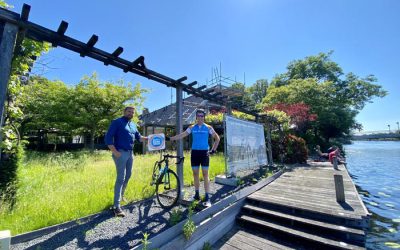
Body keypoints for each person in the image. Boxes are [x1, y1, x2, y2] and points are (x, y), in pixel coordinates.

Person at [168, 109, 220, 207]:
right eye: (198, 116)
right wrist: (171, 138)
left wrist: (213, 150)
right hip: (194, 153)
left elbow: (217, 138)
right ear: (196, 117)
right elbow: (182, 135)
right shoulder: (192, 127)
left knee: (205, 175)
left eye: (202, 116)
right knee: (195, 174)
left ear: (204, 117)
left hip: (205, 153)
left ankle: (207, 197)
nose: (200, 117)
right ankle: (196, 195)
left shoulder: (208, 127)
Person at [105, 106, 147, 217]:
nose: (131, 113)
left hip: (130, 153)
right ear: (124, 112)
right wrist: (115, 152)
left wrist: (151, 138)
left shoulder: (133, 125)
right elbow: (108, 138)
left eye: (132, 112)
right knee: (120, 178)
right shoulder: (117, 122)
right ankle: (116, 206)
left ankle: (121, 195)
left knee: (128, 175)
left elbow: (139, 137)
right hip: (120, 153)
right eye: (129, 111)